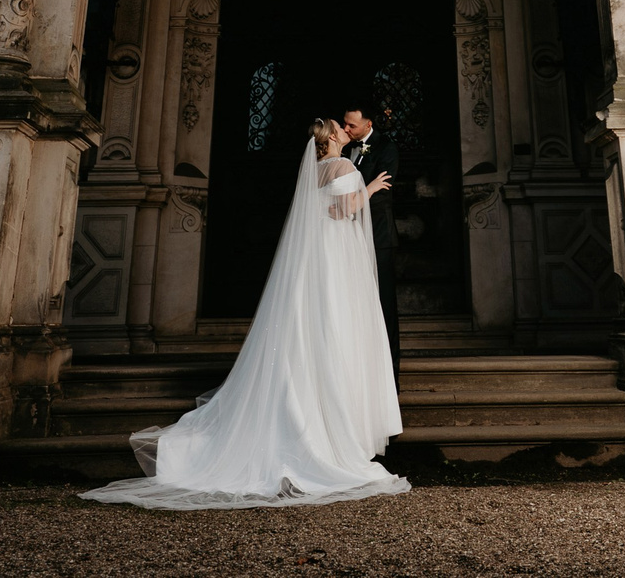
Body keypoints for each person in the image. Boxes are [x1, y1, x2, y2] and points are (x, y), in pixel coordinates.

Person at [82, 118, 406, 511]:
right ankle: (330, 431)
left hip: (316, 261)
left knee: (310, 330)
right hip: (335, 259)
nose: (343, 129)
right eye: (340, 126)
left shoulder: (315, 171)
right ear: (334, 139)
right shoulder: (342, 167)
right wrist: (370, 189)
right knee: (333, 330)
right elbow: (342, 212)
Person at [340, 105, 402, 373]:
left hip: (377, 235)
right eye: (344, 124)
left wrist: (351, 201)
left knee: (383, 306)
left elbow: (382, 192)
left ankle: (390, 374)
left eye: (351, 125)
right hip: (347, 236)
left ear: (368, 125)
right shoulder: (344, 149)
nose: (346, 129)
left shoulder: (386, 148)